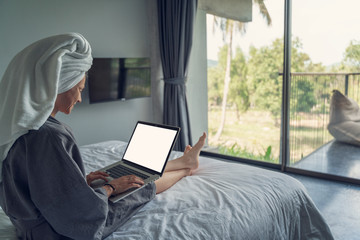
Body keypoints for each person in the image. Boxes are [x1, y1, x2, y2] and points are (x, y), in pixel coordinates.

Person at [0, 33, 206, 240]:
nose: (80, 98)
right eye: (79, 89)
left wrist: (83, 183)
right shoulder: (49, 136)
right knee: (139, 186)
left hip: (30, 225)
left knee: (129, 171)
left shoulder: (17, 127)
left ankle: (182, 160)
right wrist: (110, 188)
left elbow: (39, 184)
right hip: (55, 232)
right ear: (58, 86)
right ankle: (186, 170)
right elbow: (81, 214)